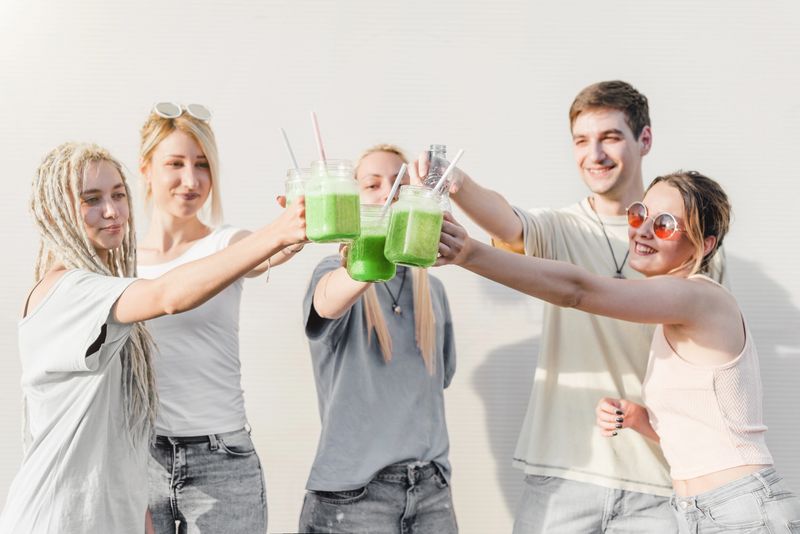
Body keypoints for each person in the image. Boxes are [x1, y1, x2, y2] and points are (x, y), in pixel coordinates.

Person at [414, 80, 720, 532]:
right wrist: (456, 182)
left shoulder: (688, 244)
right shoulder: (561, 227)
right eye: (581, 140)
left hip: (660, 481)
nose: (594, 154)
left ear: (645, 139)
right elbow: (506, 221)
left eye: (610, 137)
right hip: (564, 471)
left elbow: (704, 373)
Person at [438, 170, 800, 533]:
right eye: (640, 215)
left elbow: (578, 291)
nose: (643, 231)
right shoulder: (678, 316)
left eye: (664, 224)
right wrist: (640, 419)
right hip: (703, 511)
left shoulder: (699, 296)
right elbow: (705, 436)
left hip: (740, 509)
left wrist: (469, 253)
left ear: (704, 245)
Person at [0, 142, 305, 533]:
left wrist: (139, 513)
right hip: (59, 518)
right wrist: (277, 232)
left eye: (118, 195)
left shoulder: (98, 289)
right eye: (91, 199)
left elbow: (116, 424)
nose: (112, 211)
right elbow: (167, 295)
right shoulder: (69, 291)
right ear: (53, 211)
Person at [137, 102, 299, 533]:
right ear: (146, 169)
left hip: (221, 461)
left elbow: (274, 250)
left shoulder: (228, 245)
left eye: (203, 165)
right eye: (176, 164)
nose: (191, 180)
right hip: (139, 459)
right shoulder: (120, 262)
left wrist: (292, 227)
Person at [298, 144, 458, 533]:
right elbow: (326, 304)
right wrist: (365, 255)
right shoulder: (334, 274)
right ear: (351, 200)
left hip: (431, 494)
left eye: (401, 186)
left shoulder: (432, 291)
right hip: (353, 499)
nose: (388, 194)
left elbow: (441, 378)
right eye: (372, 185)